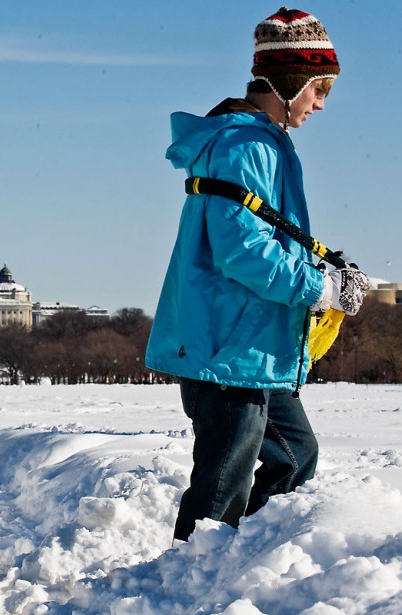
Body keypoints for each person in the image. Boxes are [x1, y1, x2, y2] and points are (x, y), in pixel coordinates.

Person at [145, 8, 370, 542]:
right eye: (319, 88)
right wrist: (320, 288)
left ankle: (246, 562)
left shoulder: (264, 143)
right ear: (289, 82)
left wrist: (327, 267)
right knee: (221, 486)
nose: (321, 104)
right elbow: (243, 252)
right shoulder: (245, 146)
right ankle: (188, 583)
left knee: (295, 459)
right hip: (228, 347)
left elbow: (267, 236)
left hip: (258, 347)